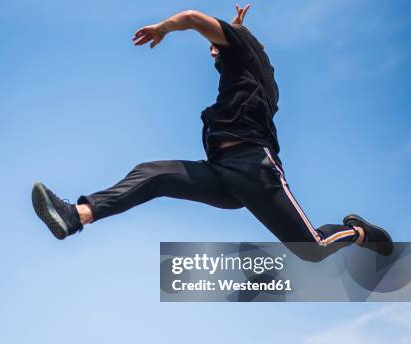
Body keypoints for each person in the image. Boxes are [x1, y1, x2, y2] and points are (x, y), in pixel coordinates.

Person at [31, 4, 393, 261]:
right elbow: (236, 47)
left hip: (254, 168)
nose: (211, 53)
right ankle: (76, 215)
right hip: (221, 172)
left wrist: (164, 28)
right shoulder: (247, 69)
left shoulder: (247, 56)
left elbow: (191, 18)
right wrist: (235, 33)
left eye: (215, 47)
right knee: (152, 174)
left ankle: (360, 231)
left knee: (311, 249)